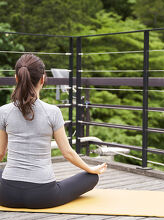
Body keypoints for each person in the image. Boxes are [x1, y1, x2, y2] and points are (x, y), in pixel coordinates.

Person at [0, 54, 107, 209]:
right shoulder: (53, 112)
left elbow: (0, 154)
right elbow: (67, 152)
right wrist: (90, 169)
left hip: (6, 195)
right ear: (43, 79)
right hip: (43, 196)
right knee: (91, 178)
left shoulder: (3, 111)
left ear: (16, 78)